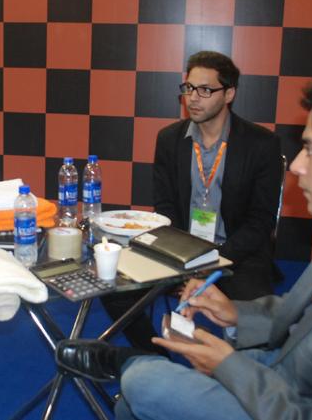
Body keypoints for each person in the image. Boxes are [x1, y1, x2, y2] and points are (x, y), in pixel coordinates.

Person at [57, 73, 312, 420]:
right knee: (141, 397)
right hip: (290, 367)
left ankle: (134, 367)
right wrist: (236, 313)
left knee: (145, 384)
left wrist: (229, 367)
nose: (297, 165)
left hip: (297, 400)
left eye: (311, 150)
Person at [101, 51, 283, 353]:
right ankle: (154, 357)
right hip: (180, 251)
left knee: (258, 328)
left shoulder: (261, 144)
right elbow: (165, 208)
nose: (193, 98)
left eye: (205, 90)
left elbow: (260, 221)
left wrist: (213, 261)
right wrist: (187, 261)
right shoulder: (169, 139)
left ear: (229, 94)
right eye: (189, 88)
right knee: (114, 289)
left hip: (238, 255)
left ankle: (236, 370)